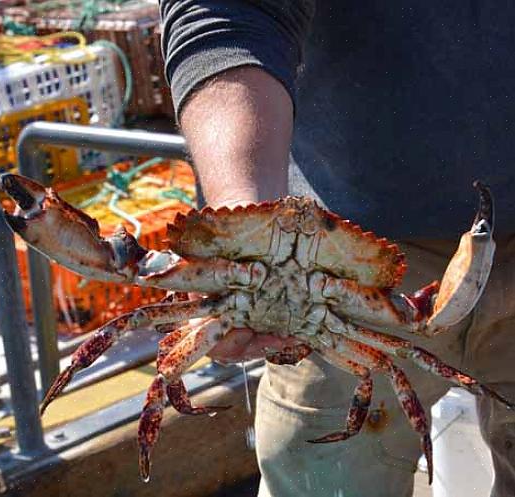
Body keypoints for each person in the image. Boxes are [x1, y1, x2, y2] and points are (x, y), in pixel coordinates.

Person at [158, 2, 515, 496]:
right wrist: (248, 225)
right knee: (322, 475)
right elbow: (232, 14)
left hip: (352, 265)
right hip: (347, 255)